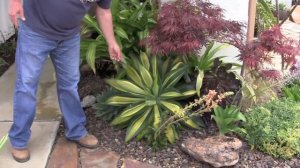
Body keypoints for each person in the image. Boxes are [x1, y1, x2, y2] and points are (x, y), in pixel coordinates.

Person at [8, 0, 122, 163]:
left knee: (69, 84)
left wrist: (111, 42)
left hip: (68, 37)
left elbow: (104, 11)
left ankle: (76, 130)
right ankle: (19, 141)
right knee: (26, 86)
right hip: (35, 32)